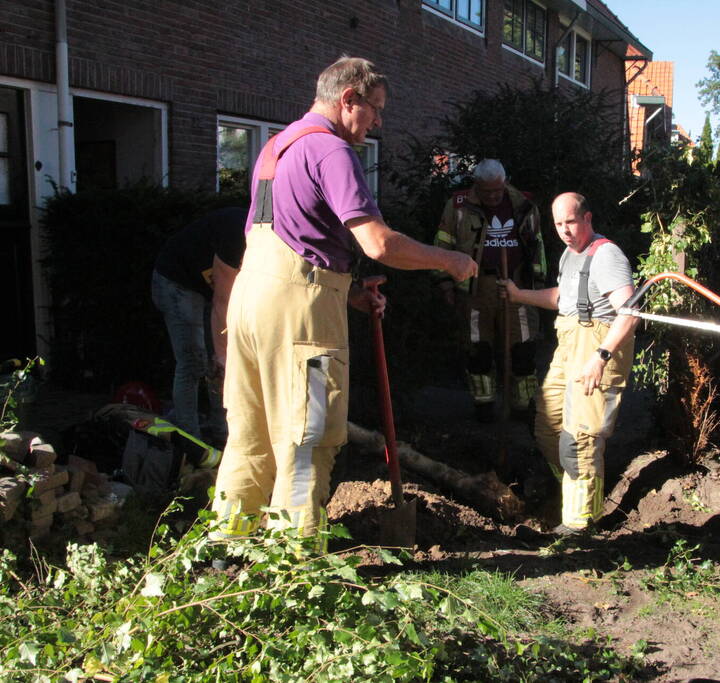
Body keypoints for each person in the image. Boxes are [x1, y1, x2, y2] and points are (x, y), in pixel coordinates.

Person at [210, 57, 476, 545]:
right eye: (374, 109)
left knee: (250, 435)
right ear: (347, 97)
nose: (377, 121)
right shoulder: (331, 151)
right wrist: (448, 260)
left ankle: (228, 552)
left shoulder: (276, 146)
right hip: (299, 317)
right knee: (308, 436)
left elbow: (288, 239)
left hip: (250, 302)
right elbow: (378, 244)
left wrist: (347, 292)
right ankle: (294, 561)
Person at [501, 192, 638, 535]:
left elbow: (630, 311)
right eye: (558, 224)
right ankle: (574, 489)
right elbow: (563, 298)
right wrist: (520, 295)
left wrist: (602, 356)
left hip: (597, 348)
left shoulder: (606, 256)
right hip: (569, 347)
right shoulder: (569, 255)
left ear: (588, 219)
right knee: (548, 425)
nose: (564, 230)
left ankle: (580, 523)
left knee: (580, 438)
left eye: (571, 222)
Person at [434, 159, 546, 422]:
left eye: (498, 190)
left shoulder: (524, 204)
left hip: (517, 286)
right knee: (477, 349)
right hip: (474, 288)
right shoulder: (458, 206)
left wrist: (537, 283)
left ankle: (523, 406)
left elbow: (537, 245)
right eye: (487, 192)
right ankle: (483, 406)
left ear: (505, 182)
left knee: (523, 349)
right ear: (477, 186)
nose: (494, 196)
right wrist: (444, 282)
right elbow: (442, 244)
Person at [151, 206, 246, 441]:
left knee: (218, 360)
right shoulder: (238, 233)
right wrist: (223, 354)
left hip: (203, 290)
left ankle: (223, 434)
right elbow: (222, 302)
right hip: (176, 283)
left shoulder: (268, 242)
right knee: (194, 362)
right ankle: (189, 439)